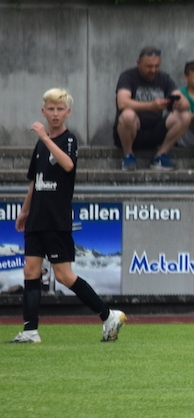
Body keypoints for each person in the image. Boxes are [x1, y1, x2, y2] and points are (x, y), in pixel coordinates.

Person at [10, 88, 126, 344]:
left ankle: (108, 315)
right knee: (31, 270)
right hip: (36, 217)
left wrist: (45, 137)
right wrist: (25, 210)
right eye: (51, 109)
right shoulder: (40, 145)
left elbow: (68, 164)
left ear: (68, 112)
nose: (55, 114)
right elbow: (35, 181)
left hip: (56, 218)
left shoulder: (68, 140)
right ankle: (30, 330)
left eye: (60, 109)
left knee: (63, 275)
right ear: (43, 111)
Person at [114, 46, 192, 170]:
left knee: (185, 116)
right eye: (149, 67)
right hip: (132, 131)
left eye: (156, 66)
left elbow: (186, 103)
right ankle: (128, 156)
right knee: (128, 115)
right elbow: (122, 103)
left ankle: (160, 156)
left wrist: (180, 103)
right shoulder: (128, 76)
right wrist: (151, 105)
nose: (153, 70)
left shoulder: (164, 78)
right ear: (139, 63)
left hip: (156, 131)